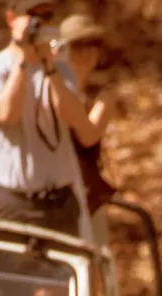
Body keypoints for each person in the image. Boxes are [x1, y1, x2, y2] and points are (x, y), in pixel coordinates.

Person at [0, 0, 98, 237]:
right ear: (11, 19)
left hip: (60, 201)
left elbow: (76, 121)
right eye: (33, 16)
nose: (41, 23)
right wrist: (24, 62)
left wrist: (50, 68)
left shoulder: (61, 69)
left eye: (47, 16)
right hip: (15, 202)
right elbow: (7, 115)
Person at [52, 13, 118, 246]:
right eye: (77, 46)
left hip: (87, 194)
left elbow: (88, 135)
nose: (87, 52)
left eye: (93, 44)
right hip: (50, 192)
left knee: (93, 256)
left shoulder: (102, 95)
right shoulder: (48, 88)